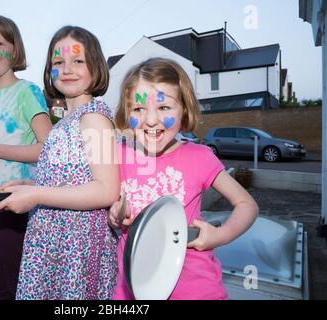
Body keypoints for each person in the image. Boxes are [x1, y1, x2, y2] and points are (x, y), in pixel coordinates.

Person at [107, 57, 259, 300]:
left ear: (184, 109)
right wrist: (115, 215)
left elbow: (247, 205)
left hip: (196, 289)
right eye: (138, 109)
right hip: (134, 288)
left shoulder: (200, 157)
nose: (151, 120)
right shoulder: (118, 154)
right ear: (127, 113)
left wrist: (220, 235)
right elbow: (111, 204)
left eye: (164, 107)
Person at [0, 26, 119, 300]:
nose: (67, 69)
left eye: (78, 61)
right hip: (53, 244)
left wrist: (37, 194)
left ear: (96, 67)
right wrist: (29, 185)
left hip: (77, 249)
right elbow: (69, 179)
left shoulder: (94, 118)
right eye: (58, 62)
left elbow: (107, 189)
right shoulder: (64, 122)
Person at [0, 14, 52, 300]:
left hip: (10, 203)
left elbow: (47, 149)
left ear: (14, 49)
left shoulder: (27, 92)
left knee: (20, 285)